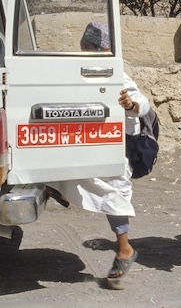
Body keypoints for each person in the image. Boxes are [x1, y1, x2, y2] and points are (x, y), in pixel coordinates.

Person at [50, 21, 150, 288]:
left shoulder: (115, 73)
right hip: (86, 144)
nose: (84, 54)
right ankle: (56, 189)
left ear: (103, 49)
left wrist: (130, 104)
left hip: (113, 147)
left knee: (113, 194)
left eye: (88, 49)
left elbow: (143, 104)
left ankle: (124, 249)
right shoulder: (81, 72)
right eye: (82, 49)